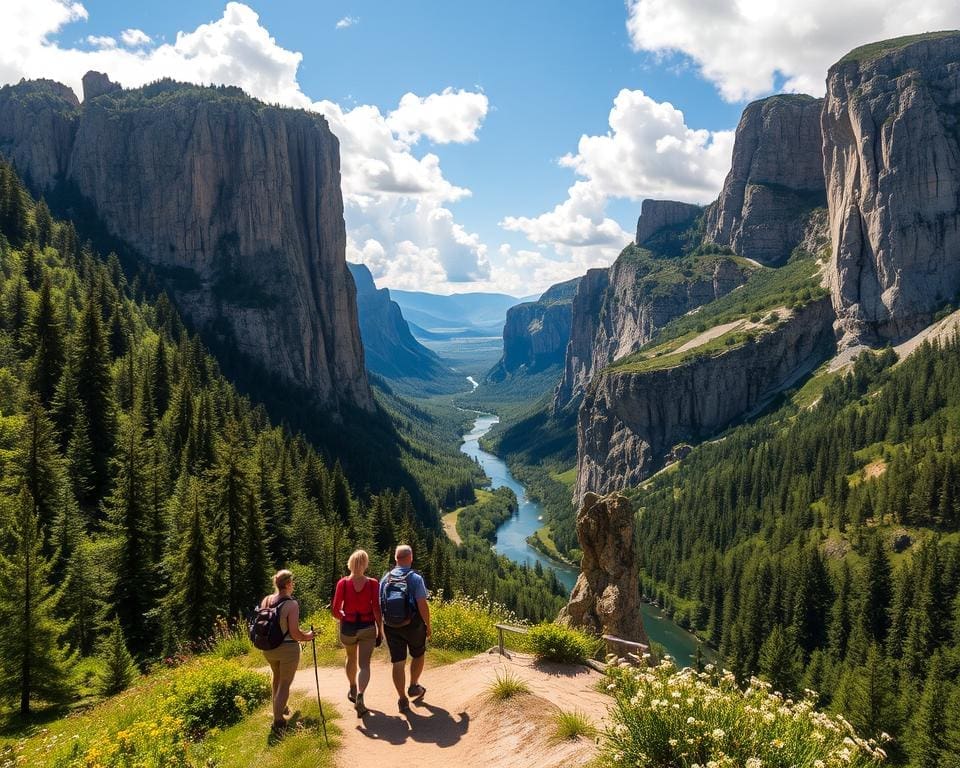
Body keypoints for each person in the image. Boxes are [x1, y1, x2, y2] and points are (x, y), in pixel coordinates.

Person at [260, 569, 314, 732]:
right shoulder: (291, 604)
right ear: (288, 584)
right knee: (285, 682)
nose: (294, 585)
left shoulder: (267, 600)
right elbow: (295, 633)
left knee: (276, 676)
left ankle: (280, 707)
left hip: (269, 648)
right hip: (287, 649)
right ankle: (278, 720)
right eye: (293, 582)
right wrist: (309, 636)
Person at [380, 544, 432, 712]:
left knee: (398, 662)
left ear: (396, 559)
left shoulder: (385, 579)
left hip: (391, 626)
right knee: (418, 654)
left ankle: (402, 699)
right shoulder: (415, 578)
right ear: (410, 558)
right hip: (413, 625)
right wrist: (428, 625)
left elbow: (381, 603)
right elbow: (422, 604)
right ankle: (413, 685)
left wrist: (381, 626)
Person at [332, 549, 383, 717]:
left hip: (348, 627)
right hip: (367, 626)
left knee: (350, 658)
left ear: (350, 563)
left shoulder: (343, 583)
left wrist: (344, 617)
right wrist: (380, 630)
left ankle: (352, 687)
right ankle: (361, 694)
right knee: (365, 665)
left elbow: (335, 610)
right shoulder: (373, 583)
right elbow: (376, 607)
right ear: (365, 564)